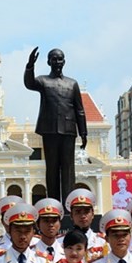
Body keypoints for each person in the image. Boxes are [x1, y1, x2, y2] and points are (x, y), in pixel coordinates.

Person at [24, 47, 87, 203]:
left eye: (60, 59)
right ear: (48, 62)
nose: (57, 62)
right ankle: (53, 204)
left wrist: (83, 132)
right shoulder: (43, 81)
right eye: (54, 59)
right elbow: (29, 83)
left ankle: (67, 205)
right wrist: (30, 66)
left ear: (64, 62)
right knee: (51, 169)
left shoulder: (72, 84)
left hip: (68, 131)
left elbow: (79, 110)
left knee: (68, 169)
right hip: (49, 130)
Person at [61, 188, 108, 263]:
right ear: (71, 215)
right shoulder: (61, 242)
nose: (83, 216)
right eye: (78, 212)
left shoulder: (103, 242)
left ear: (92, 214)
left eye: (86, 212)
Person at [33, 198, 67, 263]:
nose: (51, 224)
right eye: (46, 221)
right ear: (37, 225)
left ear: (60, 224)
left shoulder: (67, 251)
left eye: (54, 221)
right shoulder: (31, 253)